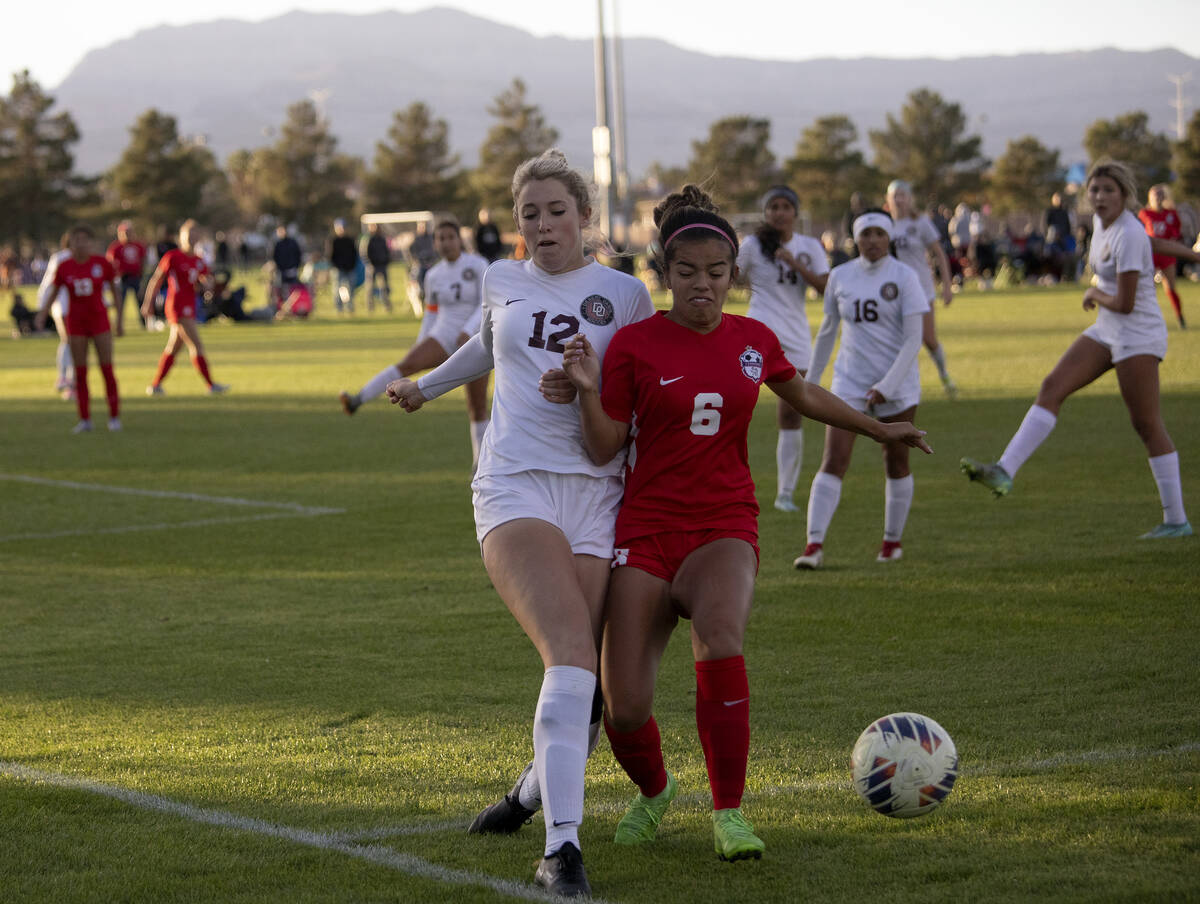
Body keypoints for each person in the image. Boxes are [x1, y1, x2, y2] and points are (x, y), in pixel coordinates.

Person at [559, 186, 930, 861]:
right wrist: (587, 390)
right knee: (625, 709)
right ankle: (656, 791)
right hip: (644, 531)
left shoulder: (754, 341)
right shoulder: (636, 345)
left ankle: (729, 813)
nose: (703, 285)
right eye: (687, 273)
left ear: (734, 275)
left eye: (716, 272)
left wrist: (879, 428)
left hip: (724, 524)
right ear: (664, 276)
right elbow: (606, 445)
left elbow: (806, 394)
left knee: (722, 638)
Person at [385, 149, 654, 897]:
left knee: (585, 680)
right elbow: (485, 342)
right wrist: (429, 387)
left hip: (599, 494)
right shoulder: (501, 279)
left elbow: (634, 395)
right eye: (529, 213)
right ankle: (561, 851)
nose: (542, 224)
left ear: (585, 218)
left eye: (556, 210)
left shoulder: (623, 296)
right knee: (571, 654)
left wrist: (587, 388)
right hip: (514, 486)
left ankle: (530, 793)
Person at [961, 160, 1191, 539]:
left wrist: (1093, 292)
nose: (1099, 197)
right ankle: (1004, 470)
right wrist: (1193, 255)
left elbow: (1127, 302)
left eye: (1108, 190)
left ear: (1125, 195)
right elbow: (1151, 243)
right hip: (1108, 328)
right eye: (1094, 190)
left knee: (1147, 425)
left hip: (1138, 334)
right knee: (1053, 386)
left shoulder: (1128, 233)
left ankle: (1176, 520)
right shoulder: (1106, 223)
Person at [794, 208, 931, 568]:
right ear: (855, 238)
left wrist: (887, 386)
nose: (872, 240)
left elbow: (914, 339)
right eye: (865, 234)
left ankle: (891, 542)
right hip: (849, 380)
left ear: (889, 238)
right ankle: (813, 546)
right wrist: (811, 384)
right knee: (834, 457)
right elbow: (827, 332)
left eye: (878, 233)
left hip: (897, 384)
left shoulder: (905, 277)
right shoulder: (841, 276)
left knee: (896, 460)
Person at [339, 219, 492, 470]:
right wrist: (422, 341)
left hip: (475, 338)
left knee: (476, 405)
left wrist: (468, 330)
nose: (445, 243)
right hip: (443, 335)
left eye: (449, 237)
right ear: (435, 243)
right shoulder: (433, 274)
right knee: (408, 364)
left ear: (459, 240)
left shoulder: (478, 265)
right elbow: (431, 313)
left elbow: (485, 304)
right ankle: (358, 399)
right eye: (440, 239)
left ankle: (481, 467)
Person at [735, 185, 829, 513]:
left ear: (795, 212)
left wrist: (794, 263)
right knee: (733, 403)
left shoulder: (809, 247)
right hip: (759, 333)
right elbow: (732, 277)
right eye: (773, 206)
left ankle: (785, 492)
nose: (779, 212)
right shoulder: (751, 246)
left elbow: (825, 287)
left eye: (785, 206)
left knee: (793, 408)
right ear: (766, 212)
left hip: (796, 334)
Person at [33, 225, 122, 433]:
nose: (81, 244)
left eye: (84, 239)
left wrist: (119, 319)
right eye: (76, 240)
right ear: (69, 244)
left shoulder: (101, 264)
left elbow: (115, 291)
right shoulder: (64, 266)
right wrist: (42, 314)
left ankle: (114, 417)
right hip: (76, 323)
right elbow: (54, 291)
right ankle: (85, 419)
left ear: (91, 243)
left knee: (107, 369)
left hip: (99, 321)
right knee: (80, 372)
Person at [886, 180, 958, 398]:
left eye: (903, 195)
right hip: (894, 292)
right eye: (895, 195)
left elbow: (939, 254)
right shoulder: (884, 224)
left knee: (928, 338)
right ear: (888, 200)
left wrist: (946, 286)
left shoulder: (921, 223)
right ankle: (897, 386)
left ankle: (944, 374)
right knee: (897, 340)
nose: (899, 200)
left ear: (910, 199)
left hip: (921, 288)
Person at [141, 220, 230, 396]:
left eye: (195, 234)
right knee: (196, 345)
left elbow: (206, 281)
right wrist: (147, 303)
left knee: (173, 347)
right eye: (188, 235)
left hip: (190, 306)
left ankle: (156, 385)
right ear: (181, 237)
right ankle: (211, 385)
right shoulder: (172, 257)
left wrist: (209, 285)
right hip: (177, 306)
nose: (191, 238)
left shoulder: (198, 260)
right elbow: (156, 280)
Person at [1137, 184, 1185, 329]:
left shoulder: (1171, 214)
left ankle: (1180, 317)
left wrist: (1174, 240)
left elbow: (1177, 233)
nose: (1157, 198)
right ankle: (1148, 320)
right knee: (1147, 289)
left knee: (1170, 288)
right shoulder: (1144, 214)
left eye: (1160, 195)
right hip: (1150, 255)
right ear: (1149, 198)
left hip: (1167, 255)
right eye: (1154, 195)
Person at [36, 234, 75, 399]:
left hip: (65, 307)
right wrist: (42, 307)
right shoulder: (61, 258)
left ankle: (65, 378)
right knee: (72, 342)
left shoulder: (79, 258)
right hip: (65, 306)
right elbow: (49, 283)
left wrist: (42, 306)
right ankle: (69, 381)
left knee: (69, 342)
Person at [105, 221, 147, 336]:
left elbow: (143, 261)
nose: (127, 235)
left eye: (129, 232)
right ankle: (119, 324)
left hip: (136, 277)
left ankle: (145, 323)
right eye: (125, 233)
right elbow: (110, 263)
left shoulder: (138, 246)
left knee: (140, 301)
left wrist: (142, 276)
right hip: (122, 278)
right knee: (120, 302)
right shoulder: (116, 247)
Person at [329, 219, 360, 315]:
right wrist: (336, 266)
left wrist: (352, 265)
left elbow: (355, 254)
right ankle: (339, 309)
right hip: (338, 269)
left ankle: (350, 307)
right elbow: (330, 255)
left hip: (350, 268)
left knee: (350, 288)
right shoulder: (333, 241)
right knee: (337, 289)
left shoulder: (350, 240)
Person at [364, 223, 393, 313]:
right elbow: (365, 254)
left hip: (382, 266)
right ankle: (370, 307)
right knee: (370, 288)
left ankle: (387, 306)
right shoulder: (368, 240)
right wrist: (370, 264)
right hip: (372, 267)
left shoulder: (382, 239)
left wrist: (386, 261)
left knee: (384, 287)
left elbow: (387, 252)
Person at [270, 225, 303, 306]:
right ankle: (283, 304)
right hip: (281, 270)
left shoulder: (293, 243)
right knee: (281, 289)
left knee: (293, 288)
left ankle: (293, 304)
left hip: (292, 269)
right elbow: (275, 257)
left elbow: (298, 255)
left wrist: (295, 266)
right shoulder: (277, 244)